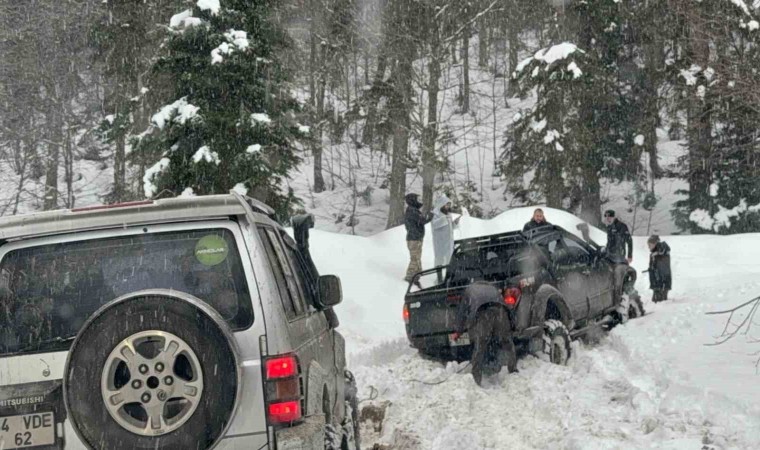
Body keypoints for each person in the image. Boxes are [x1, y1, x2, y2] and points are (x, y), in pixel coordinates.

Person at [453, 282, 517, 386]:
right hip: (501, 311)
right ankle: (513, 370)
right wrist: (512, 325)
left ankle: (476, 379)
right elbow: (507, 306)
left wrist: (458, 331)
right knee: (507, 342)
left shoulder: (468, 290)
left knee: (480, 346)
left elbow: (462, 312)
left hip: (483, 313)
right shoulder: (493, 288)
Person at [404, 193, 431, 283]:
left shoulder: (413, 210)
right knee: (415, 258)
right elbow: (422, 220)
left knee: (417, 256)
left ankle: (418, 273)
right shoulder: (412, 211)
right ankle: (409, 276)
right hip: (414, 239)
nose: (418, 200)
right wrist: (431, 216)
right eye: (416, 199)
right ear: (412, 200)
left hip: (416, 238)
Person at [431, 195, 460, 268]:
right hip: (440, 241)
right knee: (440, 259)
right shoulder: (436, 214)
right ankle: (439, 276)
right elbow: (434, 225)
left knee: (449, 259)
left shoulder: (448, 214)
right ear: (442, 204)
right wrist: (444, 218)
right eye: (447, 205)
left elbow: (450, 227)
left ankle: (448, 275)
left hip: (449, 240)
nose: (448, 207)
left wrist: (455, 223)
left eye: (449, 205)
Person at [647, 235, 672, 302]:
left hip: (662, 283)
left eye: (650, 244)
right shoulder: (652, 254)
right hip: (656, 283)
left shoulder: (663, 248)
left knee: (661, 300)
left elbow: (664, 249)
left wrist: (657, 253)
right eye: (648, 244)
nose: (648, 246)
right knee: (655, 299)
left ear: (655, 243)